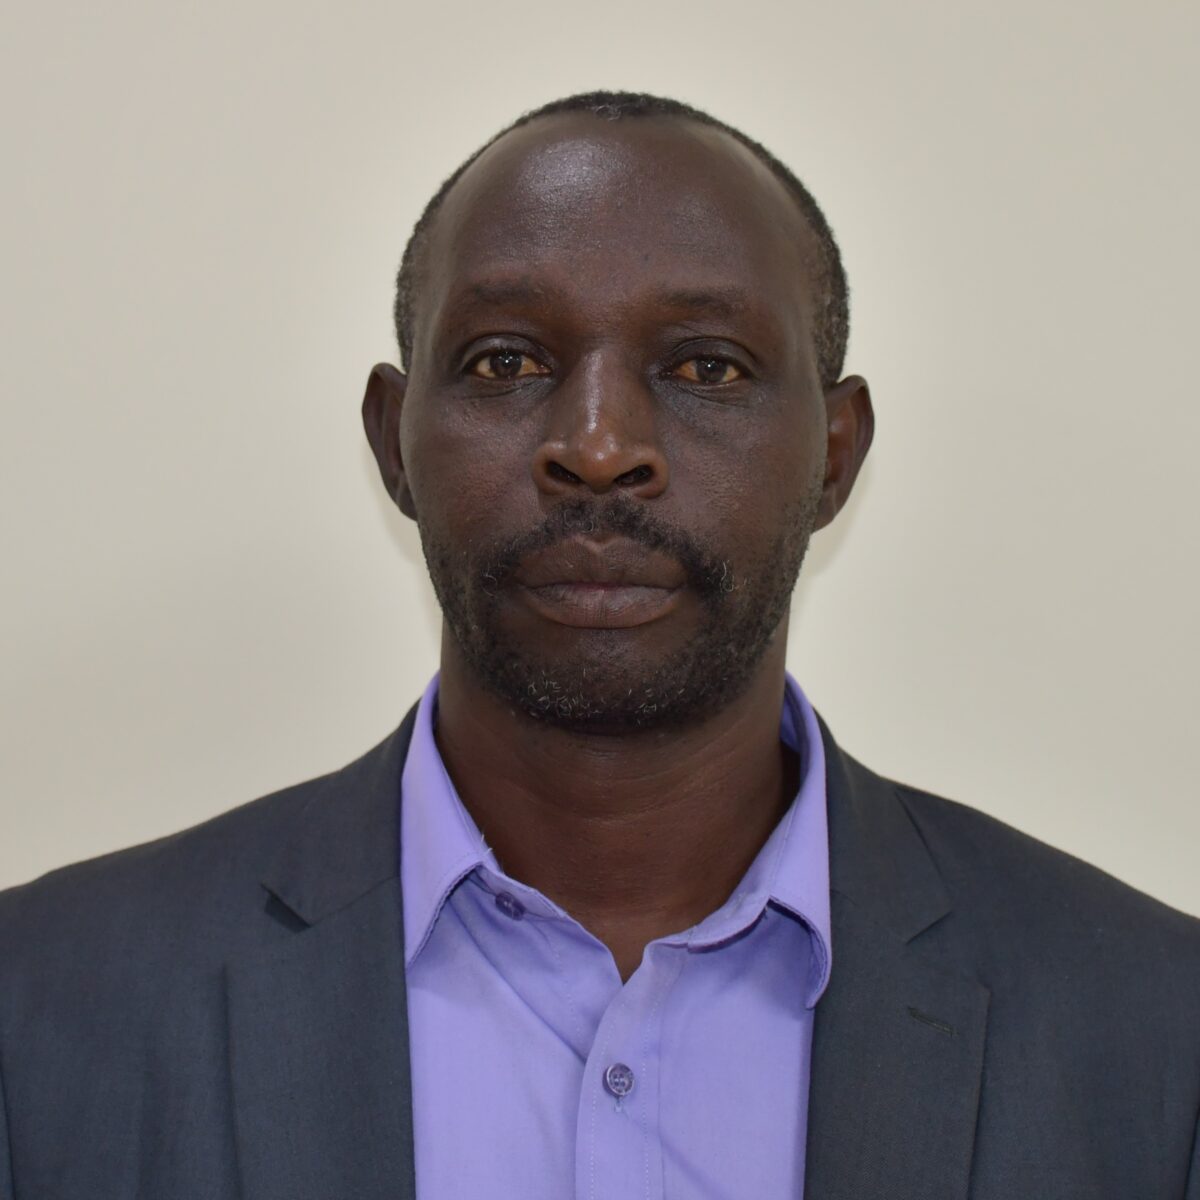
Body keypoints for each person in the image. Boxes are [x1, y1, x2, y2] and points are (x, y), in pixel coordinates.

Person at [1, 90, 1197, 1200]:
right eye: (506, 362)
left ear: (835, 456)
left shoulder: (1155, 1033)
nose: (599, 444)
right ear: (393, 442)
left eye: (707, 367)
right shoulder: (42, 1005)